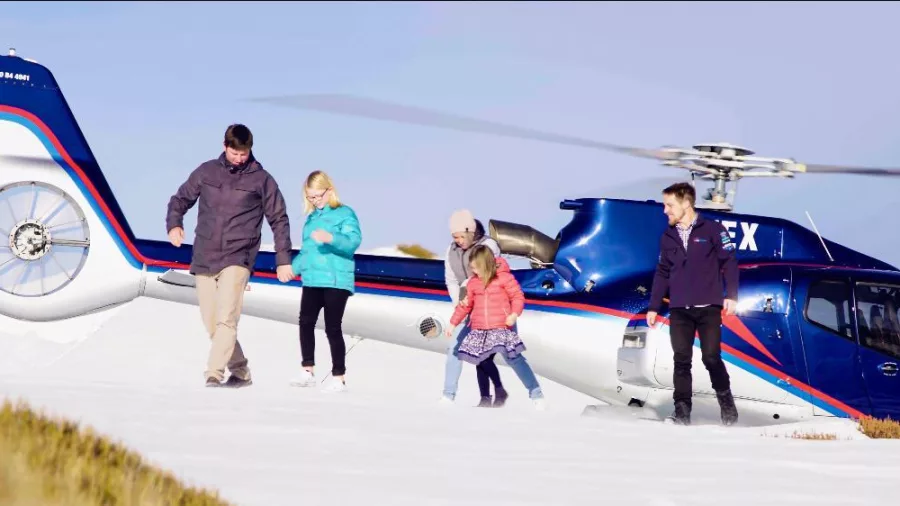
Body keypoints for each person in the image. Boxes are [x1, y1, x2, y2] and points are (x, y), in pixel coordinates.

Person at [166, 124, 295, 388]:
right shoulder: (207, 171)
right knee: (212, 324)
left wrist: (283, 260)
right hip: (204, 254)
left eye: (244, 153)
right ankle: (241, 371)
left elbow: (279, 219)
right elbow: (179, 199)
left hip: (239, 256)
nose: (239, 158)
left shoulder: (262, 180)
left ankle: (214, 373)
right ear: (225, 147)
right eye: (235, 153)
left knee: (226, 319)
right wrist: (174, 224)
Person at [646, 182, 739, 426]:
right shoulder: (667, 237)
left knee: (710, 357)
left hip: (709, 307)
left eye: (669, 205)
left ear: (686, 203)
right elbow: (662, 272)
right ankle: (682, 412)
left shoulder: (713, 229)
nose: (665, 210)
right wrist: (654, 307)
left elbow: (729, 263)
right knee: (681, 360)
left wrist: (731, 295)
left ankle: (727, 404)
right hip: (679, 309)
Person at [447, 244, 546, 410]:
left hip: (502, 325)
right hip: (480, 328)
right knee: (481, 360)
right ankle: (487, 397)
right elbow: (465, 306)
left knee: (513, 359)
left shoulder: (504, 278)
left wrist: (514, 314)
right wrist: (452, 323)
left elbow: (517, 297)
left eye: (476, 267)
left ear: (485, 264)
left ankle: (536, 394)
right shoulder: (473, 283)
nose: (473, 271)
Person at [288, 170, 362, 393]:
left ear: (329, 191)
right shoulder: (311, 220)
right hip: (312, 278)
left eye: (318, 196)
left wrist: (331, 238)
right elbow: (308, 252)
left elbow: (353, 242)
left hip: (335, 279)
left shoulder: (344, 213)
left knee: (332, 327)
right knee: (305, 321)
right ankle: (307, 370)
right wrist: (292, 269)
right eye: (310, 197)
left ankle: (339, 377)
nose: (315, 201)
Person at [441, 210, 509, 407]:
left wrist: (466, 292)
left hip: (489, 307)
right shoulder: (451, 250)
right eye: (455, 237)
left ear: (470, 231)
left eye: (461, 236)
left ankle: (527, 393)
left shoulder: (488, 246)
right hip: (465, 306)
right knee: (455, 348)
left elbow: (484, 274)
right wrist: (458, 304)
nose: (458, 241)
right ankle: (448, 395)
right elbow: (451, 279)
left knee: (488, 355)